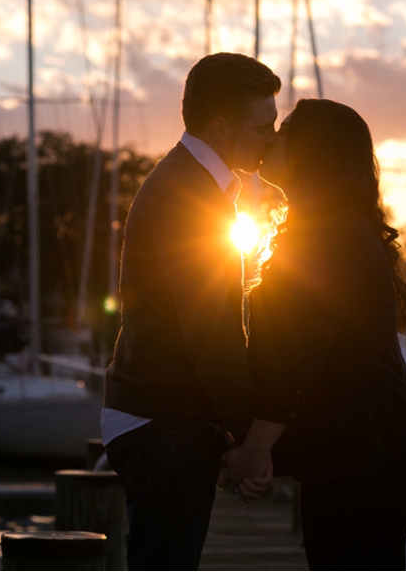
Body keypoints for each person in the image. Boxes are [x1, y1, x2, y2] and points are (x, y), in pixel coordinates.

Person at [218, 99, 406, 570]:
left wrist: (256, 450)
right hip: (355, 452)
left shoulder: (333, 235)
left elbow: (299, 356)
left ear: (314, 151)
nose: (274, 137)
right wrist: (267, 451)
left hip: (371, 455)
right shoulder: (322, 230)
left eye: (287, 131)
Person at [102, 53, 281, 570]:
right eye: (262, 126)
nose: (270, 137)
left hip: (165, 417)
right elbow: (210, 329)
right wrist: (252, 438)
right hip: (162, 421)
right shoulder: (187, 194)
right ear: (221, 127)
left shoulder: (197, 186)